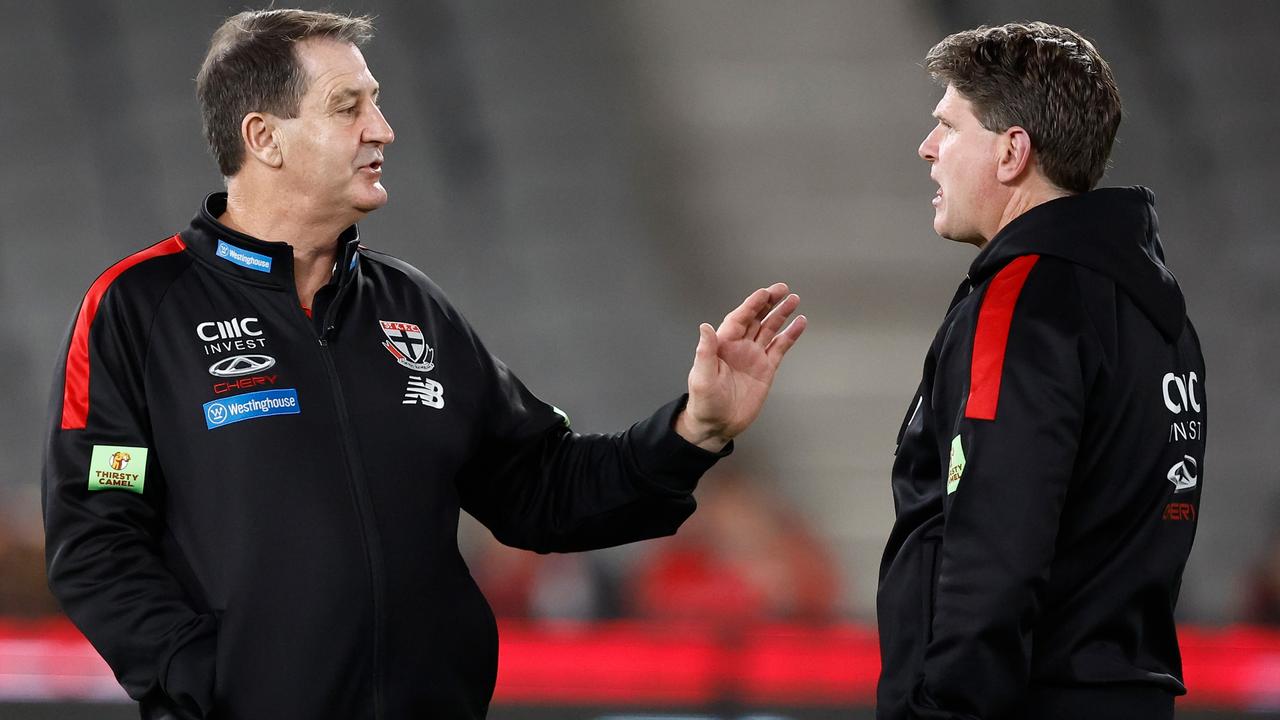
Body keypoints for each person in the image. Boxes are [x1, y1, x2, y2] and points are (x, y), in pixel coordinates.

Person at [41, 10, 805, 719]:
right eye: (349, 107)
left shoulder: (413, 307)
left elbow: (540, 489)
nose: (385, 129)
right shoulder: (137, 309)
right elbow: (98, 537)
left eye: (376, 102)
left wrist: (693, 429)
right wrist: (208, 679)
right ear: (264, 137)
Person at [876, 22, 1206, 720]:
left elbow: (996, 539)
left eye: (947, 125)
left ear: (1011, 152)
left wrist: (943, 709)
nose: (927, 148)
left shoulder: (1022, 297)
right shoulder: (1158, 311)